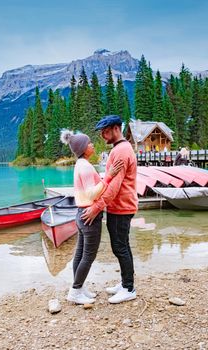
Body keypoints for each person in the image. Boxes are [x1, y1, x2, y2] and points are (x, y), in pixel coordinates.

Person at [60, 129, 123, 305]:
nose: (92, 145)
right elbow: (91, 195)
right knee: (88, 255)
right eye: (89, 143)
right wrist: (109, 176)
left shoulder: (80, 164)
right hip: (89, 215)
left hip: (80, 214)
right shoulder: (86, 167)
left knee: (80, 253)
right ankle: (75, 291)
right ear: (82, 148)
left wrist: (103, 177)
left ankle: (78, 288)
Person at [81, 115, 138, 304]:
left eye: (105, 131)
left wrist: (97, 207)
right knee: (122, 245)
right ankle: (125, 283)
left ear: (115, 128)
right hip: (119, 206)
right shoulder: (120, 148)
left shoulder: (121, 151)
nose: (102, 136)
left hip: (121, 206)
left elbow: (114, 186)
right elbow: (111, 180)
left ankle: (129, 288)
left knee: (120, 247)